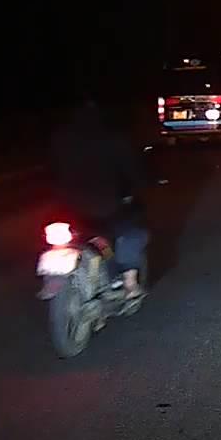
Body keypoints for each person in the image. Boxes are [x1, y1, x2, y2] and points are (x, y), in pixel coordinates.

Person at [50, 98, 149, 298]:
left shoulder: (60, 139)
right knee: (131, 233)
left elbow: (51, 171)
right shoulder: (115, 140)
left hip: (69, 209)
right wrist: (143, 182)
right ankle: (130, 284)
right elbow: (134, 171)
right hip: (107, 207)